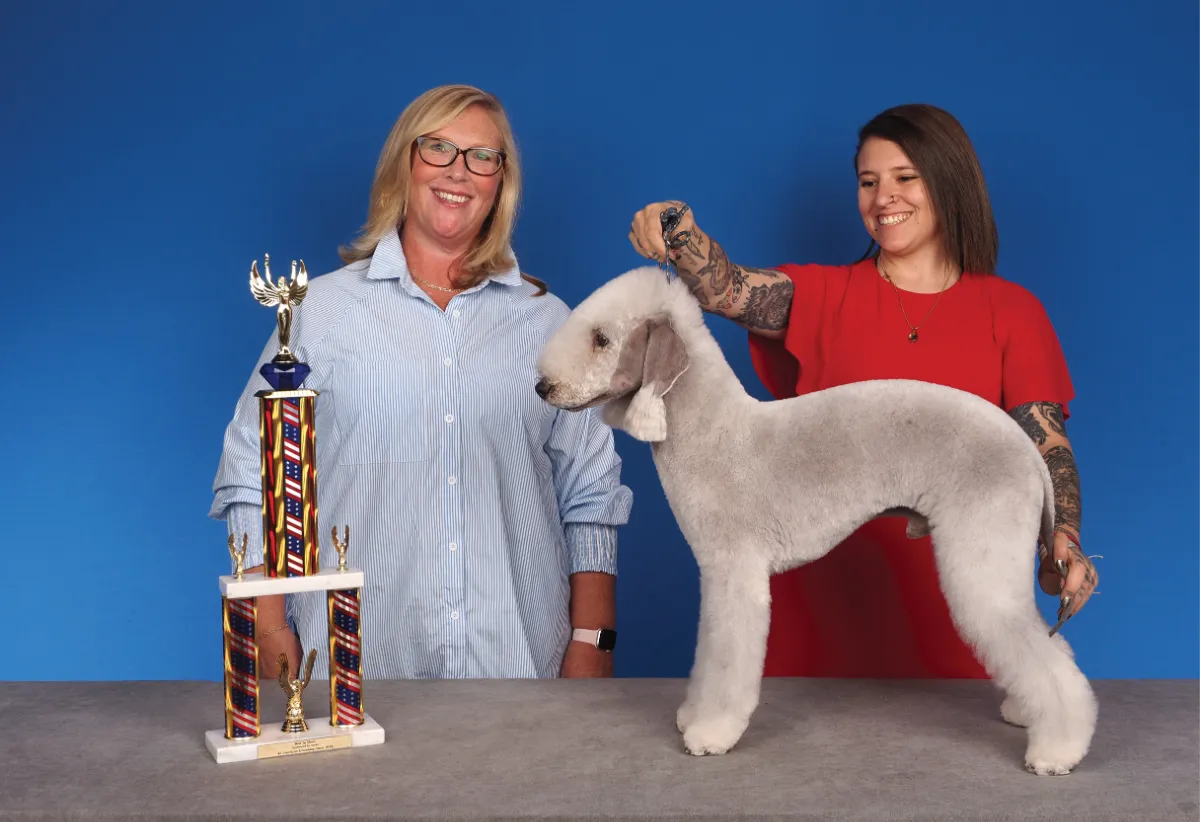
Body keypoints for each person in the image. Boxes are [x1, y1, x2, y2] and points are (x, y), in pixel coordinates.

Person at [627, 103, 1097, 679]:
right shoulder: (821, 294)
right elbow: (725, 288)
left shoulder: (1014, 313)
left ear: (949, 182)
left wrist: (1064, 540)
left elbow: (1044, 445)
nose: (883, 199)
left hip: (957, 660)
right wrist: (676, 227)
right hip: (812, 653)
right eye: (868, 182)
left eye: (905, 178)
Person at [211, 84, 632, 681]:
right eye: (438, 148)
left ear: (500, 181)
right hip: (355, 670)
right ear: (404, 164)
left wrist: (594, 642)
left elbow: (590, 492)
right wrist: (272, 627)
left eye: (482, 156)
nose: (458, 171)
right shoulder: (320, 310)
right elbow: (255, 470)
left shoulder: (550, 322)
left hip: (518, 667)